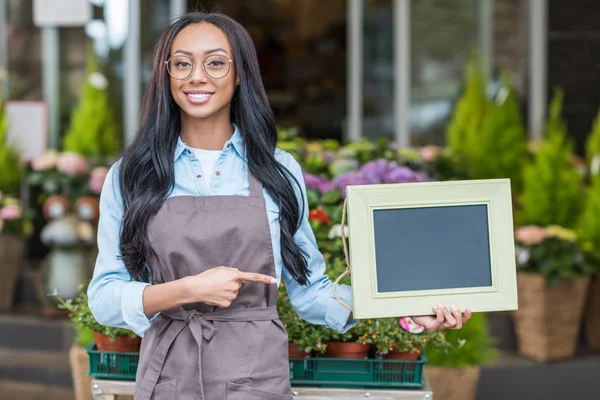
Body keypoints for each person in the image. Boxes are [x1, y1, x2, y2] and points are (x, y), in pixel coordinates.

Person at [87, 11, 471, 400]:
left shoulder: (277, 169)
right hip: (169, 376)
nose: (197, 76)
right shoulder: (132, 174)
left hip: (256, 378)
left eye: (216, 63)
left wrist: (404, 310)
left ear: (240, 75)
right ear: (166, 74)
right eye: (182, 63)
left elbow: (311, 292)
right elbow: (103, 297)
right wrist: (187, 289)